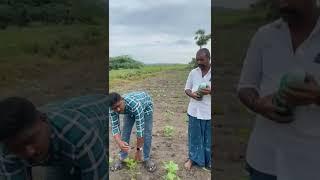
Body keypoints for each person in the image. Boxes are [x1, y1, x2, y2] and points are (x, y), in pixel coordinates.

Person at [238, 0, 320, 179]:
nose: (283, 5)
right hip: (265, 161)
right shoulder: (265, 36)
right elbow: (245, 86)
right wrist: (258, 104)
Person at [0, 95, 109, 180]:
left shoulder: (80, 133)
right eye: (18, 148)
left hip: (102, 122)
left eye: (32, 139)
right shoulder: (7, 148)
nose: (30, 152)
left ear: (44, 120)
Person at [109, 91, 156, 172]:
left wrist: (138, 151)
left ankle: (146, 158)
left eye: (118, 106)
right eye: (114, 108)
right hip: (129, 109)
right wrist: (119, 142)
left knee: (146, 133)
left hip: (146, 107)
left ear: (122, 100)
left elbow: (140, 131)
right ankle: (122, 157)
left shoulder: (136, 106)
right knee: (125, 132)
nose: (118, 109)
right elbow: (115, 126)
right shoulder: (112, 109)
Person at [184, 48, 212, 170]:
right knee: (194, 136)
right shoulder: (193, 72)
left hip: (209, 111)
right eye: (197, 60)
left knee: (209, 138)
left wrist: (211, 91)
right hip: (194, 110)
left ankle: (209, 161)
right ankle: (192, 159)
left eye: (202, 59)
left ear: (209, 58)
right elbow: (187, 89)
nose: (199, 62)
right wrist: (193, 95)